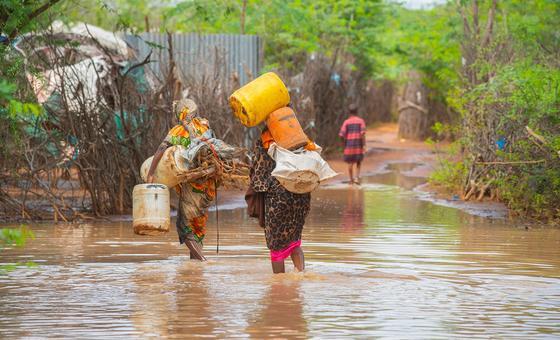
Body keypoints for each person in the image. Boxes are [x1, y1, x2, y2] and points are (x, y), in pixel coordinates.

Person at [146, 99, 216, 261]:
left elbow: (162, 148)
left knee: (183, 226)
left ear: (180, 113)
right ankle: (195, 268)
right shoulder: (206, 127)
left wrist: (151, 172)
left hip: (192, 186)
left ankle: (202, 261)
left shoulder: (178, 131)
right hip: (208, 185)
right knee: (197, 225)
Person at [249, 129, 310, 274]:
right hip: (301, 195)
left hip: (278, 198)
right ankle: (300, 278)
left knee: (276, 245)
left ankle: (278, 287)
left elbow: (259, 177)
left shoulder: (265, 139)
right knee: (294, 240)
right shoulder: (298, 136)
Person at [338, 103, 366, 184]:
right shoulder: (361, 121)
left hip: (349, 146)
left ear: (349, 112)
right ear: (357, 112)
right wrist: (364, 145)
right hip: (358, 146)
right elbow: (363, 133)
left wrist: (343, 145)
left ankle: (351, 179)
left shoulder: (346, 122)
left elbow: (341, 135)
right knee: (358, 162)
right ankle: (357, 178)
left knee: (350, 163)